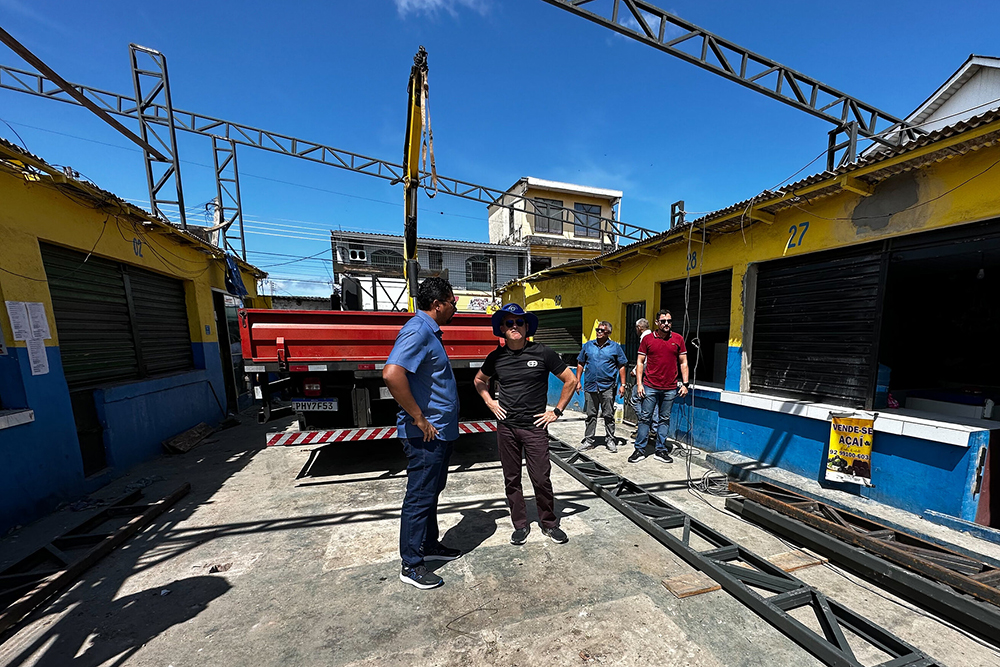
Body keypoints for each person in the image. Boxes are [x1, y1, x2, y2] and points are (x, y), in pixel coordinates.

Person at [382, 277, 463, 590]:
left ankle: (429, 546)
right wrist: (419, 418)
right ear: (438, 304)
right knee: (419, 497)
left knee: (431, 491)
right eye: (453, 302)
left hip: (440, 432)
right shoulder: (417, 330)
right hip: (426, 435)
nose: (455, 307)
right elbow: (392, 373)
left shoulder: (429, 332)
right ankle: (412, 565)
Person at [474, 303, 577, 546]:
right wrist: (490, 403)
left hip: (535, 428)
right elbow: (479, 380)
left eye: (519, 322)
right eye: (509, 323)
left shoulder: (543, 353)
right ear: (502, 328)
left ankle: (549, 523)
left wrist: (557, 411)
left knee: (541, 478)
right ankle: (520, 524)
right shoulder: (496, 357)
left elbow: (571, 380)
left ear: (527, 326)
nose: (515, 326)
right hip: (507, 427)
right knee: (512, 478)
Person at [630, 309, 689, 464]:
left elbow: (683, 362)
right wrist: (639, 384)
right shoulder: (648, 339)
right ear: (657, 323)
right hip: (650, 386)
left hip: (670, 388)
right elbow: (640, 362)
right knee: (645, 418)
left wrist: (685, 384)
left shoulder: (678, 339)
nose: (666, 324)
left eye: (669, 321)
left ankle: (660, 450)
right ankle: (639, 450)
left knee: (664, 419)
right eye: (663, 321)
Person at [576, 321, 627, 452]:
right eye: (597, 330)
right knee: (591, 415)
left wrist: (623, 385)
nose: (598, 332)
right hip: (590, 385)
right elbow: (580, 363)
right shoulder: (588, 346)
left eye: (602, 330)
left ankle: (610, 440)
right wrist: (577, 381)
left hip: (607, 387)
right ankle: (589, 441)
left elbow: (621, 366)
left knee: (608, 415)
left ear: (608, 333)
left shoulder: (615, 347)